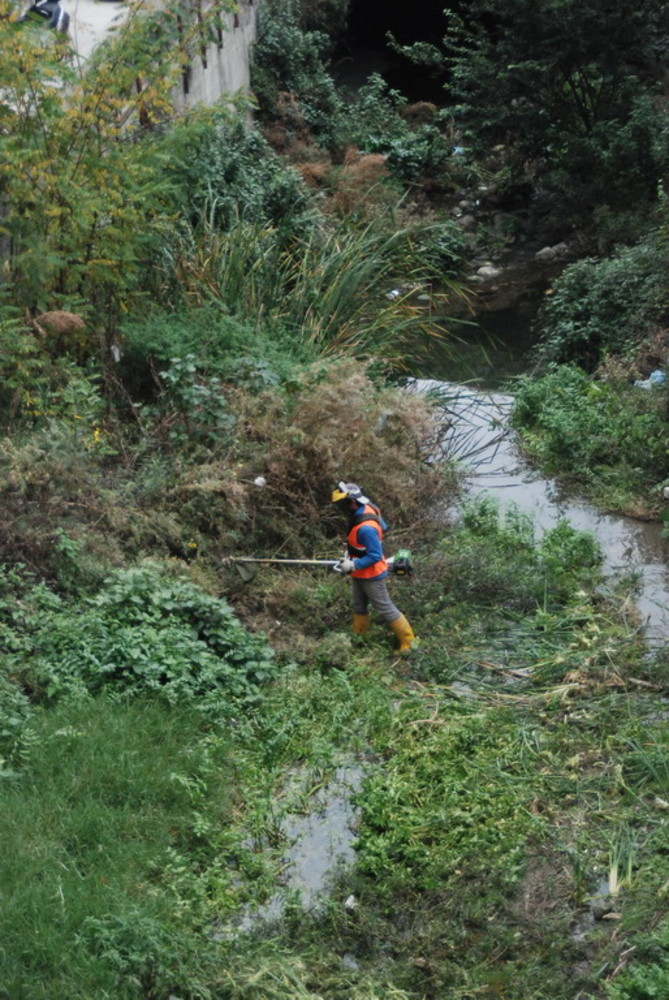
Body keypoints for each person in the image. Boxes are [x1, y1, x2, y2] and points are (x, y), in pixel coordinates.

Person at [331, 481, 416, 653]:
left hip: (371, 575)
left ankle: (409, 643)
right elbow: (383, 527)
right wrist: (353, 556)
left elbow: (375, 555)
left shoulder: (366, 529)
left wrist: (353, 564)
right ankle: (358, 638)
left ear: (352, 502)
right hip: (358, 572)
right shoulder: (368, 507)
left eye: (343, 504)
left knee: (385, 608)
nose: (342, 508)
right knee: (358, 605)